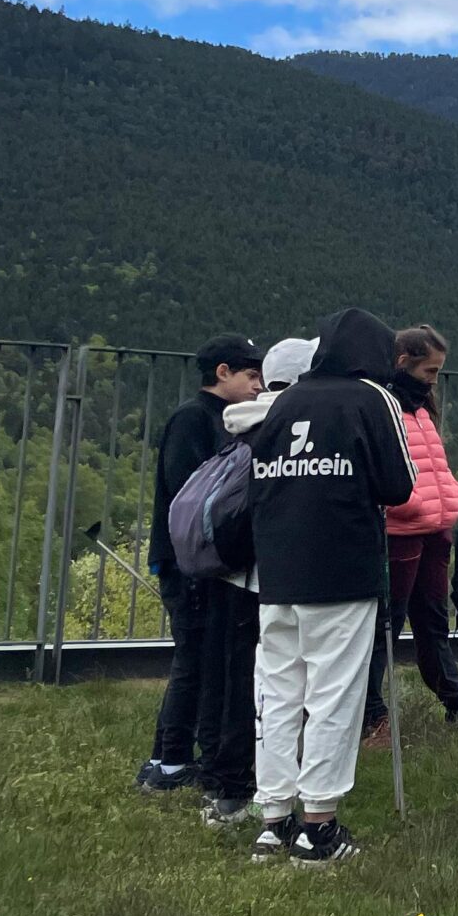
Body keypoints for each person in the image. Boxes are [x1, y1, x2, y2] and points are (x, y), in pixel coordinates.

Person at [245, 309, 417, 866]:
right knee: (333, 695)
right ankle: (318, 827)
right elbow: (400, 485)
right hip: (342, 568)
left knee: (278, 694)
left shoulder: (285, 400)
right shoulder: (372, 398)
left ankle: (274, 818)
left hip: (278, 570)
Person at [142, 334, 266, 795]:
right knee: (192, 658)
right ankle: (170, 759)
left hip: (201, 561)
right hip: (187, 561)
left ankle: (173, 755)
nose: (258, 386)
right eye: (250, 375)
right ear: (222, 372)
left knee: (201, 657)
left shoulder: (220, 418)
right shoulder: (193, 418)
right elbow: (191, 496)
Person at [199, 337, 308, 828]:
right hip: (274, 574)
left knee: (236, 676)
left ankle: (227, 781)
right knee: (269, 686)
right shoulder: (290, 427)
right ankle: (248, 789)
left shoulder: (243, 423)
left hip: (235, 570)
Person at [362, 326, 458, 744]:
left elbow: (433, 463)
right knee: (386, 626)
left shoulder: (420, 408)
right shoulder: (382, 406)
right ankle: (370, 715)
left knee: (432, 620)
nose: (434, 380)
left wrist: (451, 496)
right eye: (430, 370)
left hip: (433, 528)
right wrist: (410, 504)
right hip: (401, 531)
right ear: (403, 363)